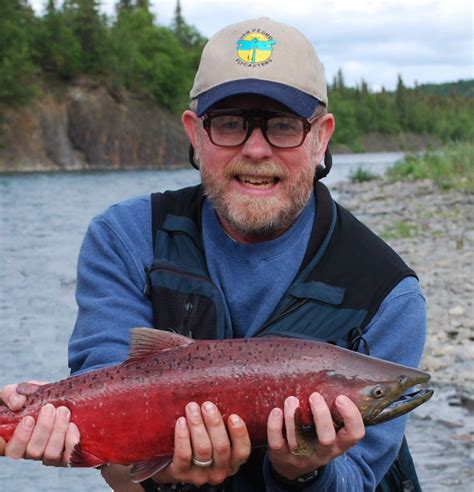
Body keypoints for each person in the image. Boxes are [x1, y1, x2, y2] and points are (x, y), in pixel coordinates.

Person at [0, 17, 426, 492]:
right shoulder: (125, 237)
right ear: (194, 134)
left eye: (284, 126)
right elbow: (112, 445)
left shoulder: (388, 293)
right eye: (230, 124)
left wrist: (303, 469)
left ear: (322, 136)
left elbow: (362, 479)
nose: (257, 149)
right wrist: (146, 465)